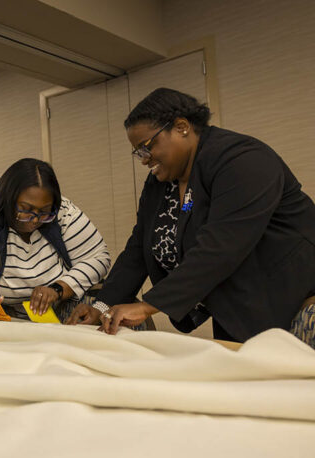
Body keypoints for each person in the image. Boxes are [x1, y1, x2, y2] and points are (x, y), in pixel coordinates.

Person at [67, 88, 315, 343]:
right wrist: (103, 304)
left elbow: (221, 247)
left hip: (290, 302)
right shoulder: (161, 182)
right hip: (236, 305)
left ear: (182, 127)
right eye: (138, 153)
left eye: (146, 147)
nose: (143, 160)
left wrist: (148, 305)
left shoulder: (243, 160)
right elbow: (140, 247)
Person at [0, 158, 111, 322]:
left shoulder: (63, 213)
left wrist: (59, 288)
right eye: (25, 209)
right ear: (7, 199)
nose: (36, 220)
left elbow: (99, 257)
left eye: (45, 212)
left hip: (52, 323)